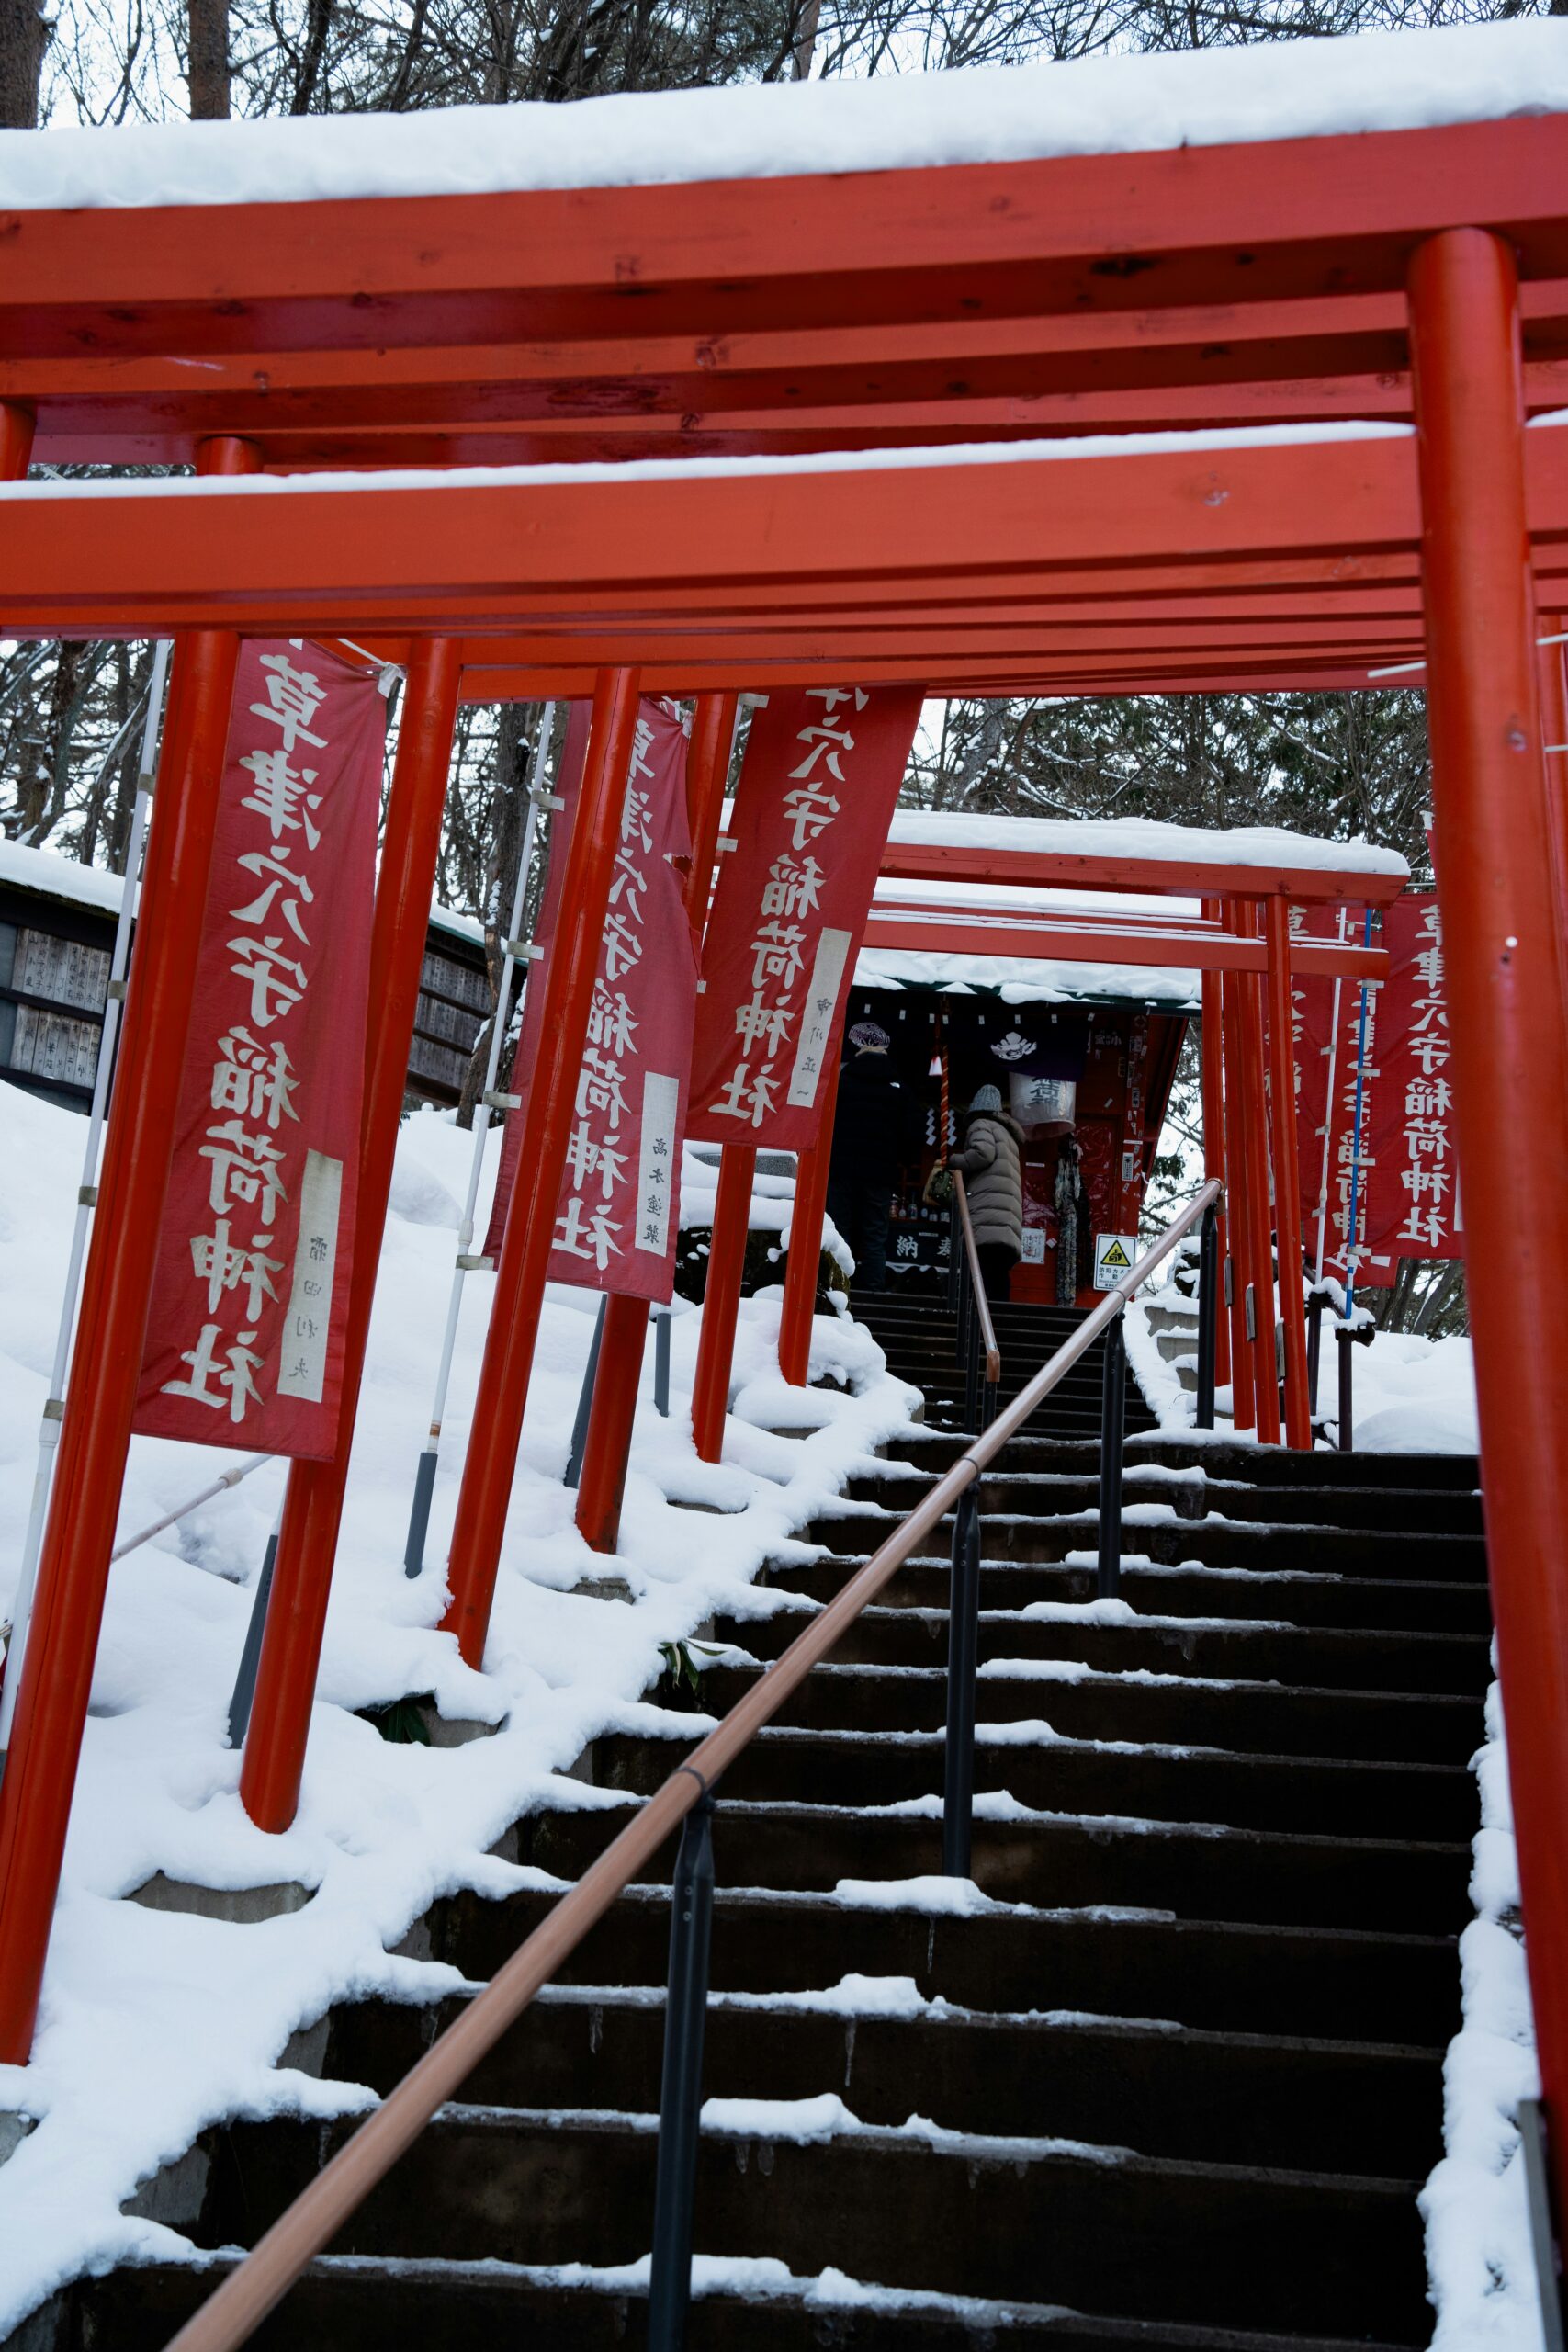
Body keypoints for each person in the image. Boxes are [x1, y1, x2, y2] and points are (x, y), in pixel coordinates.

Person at [826, 1022, 913, 1291]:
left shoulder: (841, 1083)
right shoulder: (898, 1088)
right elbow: (912, 1130)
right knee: (875, 1231)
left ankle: (838, 1285)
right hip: (880, 1172)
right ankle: (874, 1285)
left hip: (841, 1167)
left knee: (840, 1226)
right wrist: (902, 1160)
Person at [948, 1083, 1025, 1303]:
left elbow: (983, 1153)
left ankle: (980, 1320)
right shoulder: (1008, 1135)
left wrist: (954, 1161)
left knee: (980, 1270)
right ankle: (998, 1323)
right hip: (1005, 1218)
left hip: (987, 1213)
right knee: (998, 1273)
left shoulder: (981, 1124)